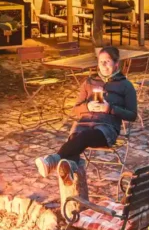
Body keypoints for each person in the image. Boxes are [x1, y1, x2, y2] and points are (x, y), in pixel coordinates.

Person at [34, 46, 137, 177]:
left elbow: (132, 115)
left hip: (106, 130)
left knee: (82, 137)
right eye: (101, 62)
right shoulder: (89, 82)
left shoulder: (126, 85)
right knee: (75, 137)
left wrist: (110, 109)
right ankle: (72, 167)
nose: (104, 65)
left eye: (108, 61)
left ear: (116, 63)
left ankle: (52, 160)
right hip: (84, 124)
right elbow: (76, 108)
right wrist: (88, 107)